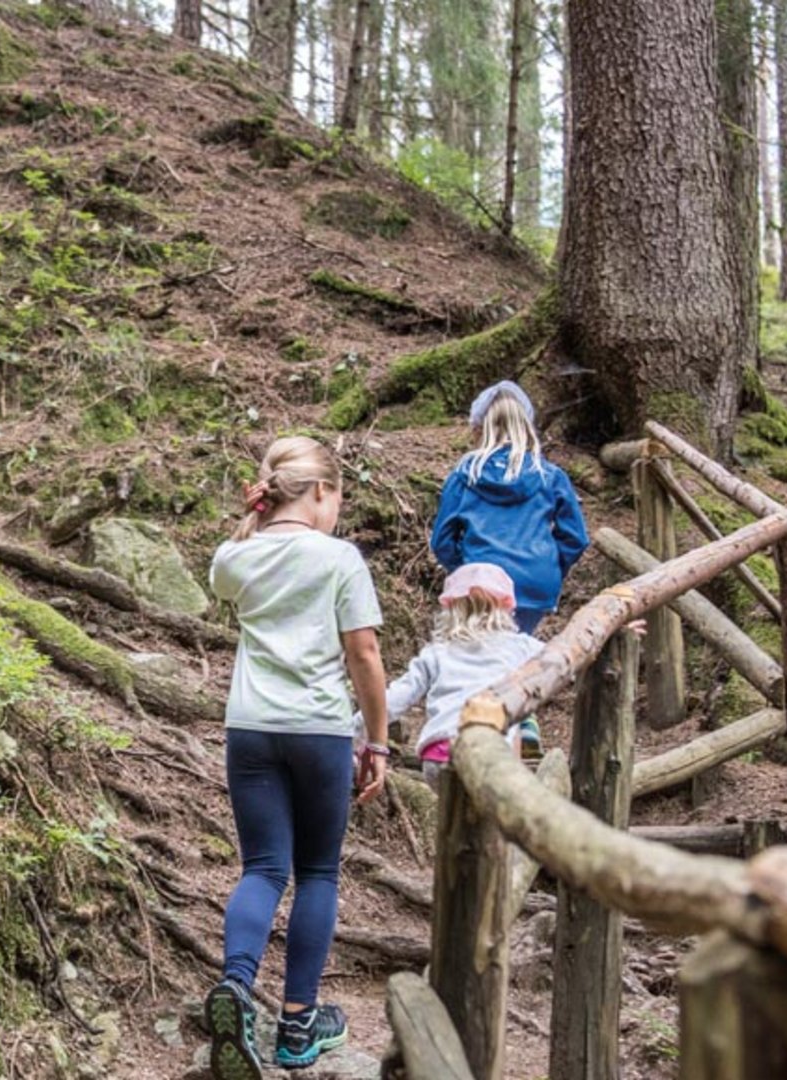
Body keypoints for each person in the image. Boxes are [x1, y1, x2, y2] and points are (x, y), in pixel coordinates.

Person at [204, 435, 391, 1077]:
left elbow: (233, 566)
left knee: (262, 868)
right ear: (319, 492)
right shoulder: (340, 559)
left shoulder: (234, 558)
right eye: (337, 496)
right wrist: (379, 740)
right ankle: (297, 1027)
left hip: (250, 728)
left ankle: (235, 988)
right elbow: (363, 654)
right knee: (318, 873)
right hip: (319, 732)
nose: (337, 510)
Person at [429, 380, 589, 752]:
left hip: (481, 582)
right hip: (535, 582)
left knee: (484, 650)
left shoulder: (465, 474)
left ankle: (503, 728)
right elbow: (575, 537)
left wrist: (464, 571)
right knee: (511, 646)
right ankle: (518, 724)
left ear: (478, 427)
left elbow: (442, 538)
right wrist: (551, 568)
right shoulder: (550, 476)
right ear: (528, 425)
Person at [378, 563, 544, 775]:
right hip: (492, 756)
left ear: (450, 609)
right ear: (506, 608)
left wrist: (354, 731)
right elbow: (560, 658)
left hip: (439, 755)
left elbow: (398, 696)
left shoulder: (437, 652)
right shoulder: (520, 646)